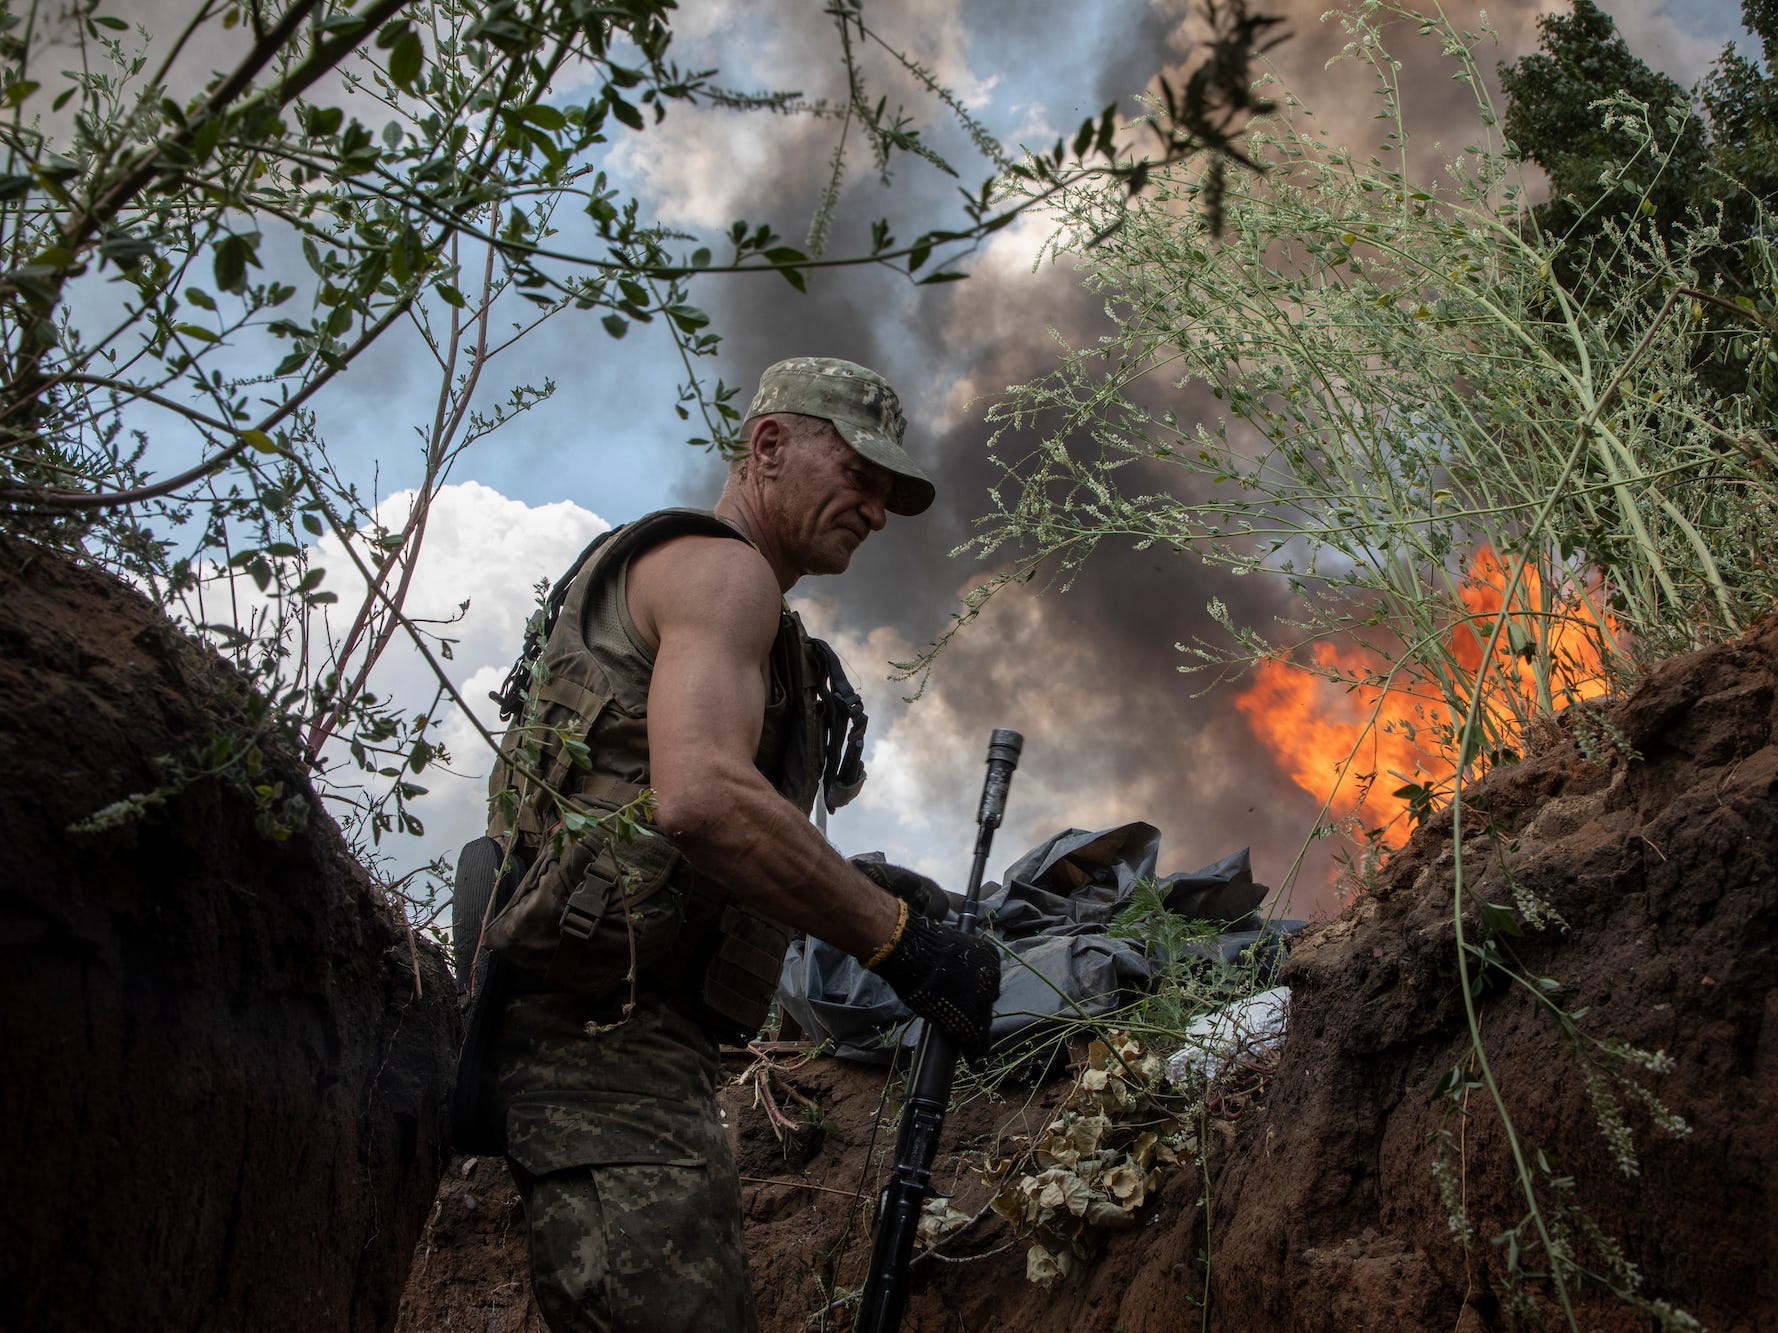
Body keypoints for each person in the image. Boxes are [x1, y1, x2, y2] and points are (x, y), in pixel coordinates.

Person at [469, 356, 1002, 1332]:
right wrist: (896, 941)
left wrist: (859, 883)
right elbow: (702, 799)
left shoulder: (698, 581)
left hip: (616, 1049)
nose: (876, 512)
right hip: (602, 1056)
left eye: (889, 493)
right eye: (859, 476)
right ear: (768, 447)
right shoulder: (724, 574)